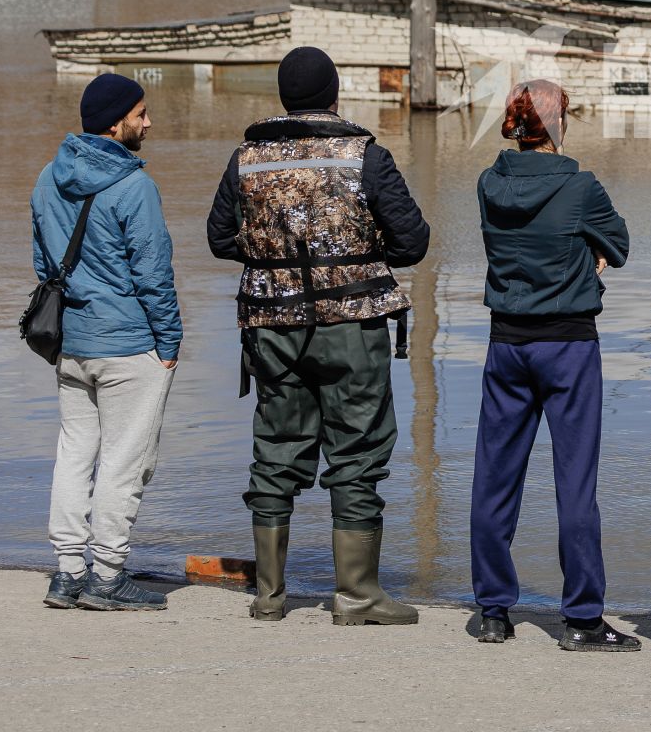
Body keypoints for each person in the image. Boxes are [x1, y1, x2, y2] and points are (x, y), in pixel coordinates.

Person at [206, 46, 430, 625]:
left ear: (283, 98)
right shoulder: (364, 157)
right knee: (357, 451)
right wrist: (357, 258)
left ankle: (269, 596)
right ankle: (356, 596)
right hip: (352, 327)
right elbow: (414, 242)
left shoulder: (246, 159)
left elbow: (219, 238)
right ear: (334, 94)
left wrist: (274, 261)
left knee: (275, 450)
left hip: (271, 328)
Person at [469, 80, 637, 651]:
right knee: (575, 485)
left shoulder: (489, 182)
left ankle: (493, 611)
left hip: (506, 343)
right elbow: (619, 244)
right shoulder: (581, 184)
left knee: (494, 479)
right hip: (567, 344)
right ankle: (583, 620)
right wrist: (587, 256)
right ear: (557, 124)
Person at [34, 72, 182, 612]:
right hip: (127, 347)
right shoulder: (134, 187)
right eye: (141, 115)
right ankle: (108, 575)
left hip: (71, 344)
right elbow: (154, 276)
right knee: (126, 462)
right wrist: (169, 343)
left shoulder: (49, 177)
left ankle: (67, 573)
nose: (149, 123)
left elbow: (42, 265)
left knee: (74, 456)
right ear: (117, 124)